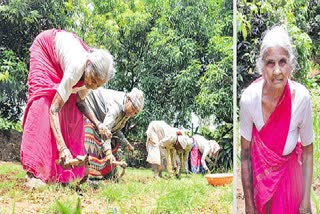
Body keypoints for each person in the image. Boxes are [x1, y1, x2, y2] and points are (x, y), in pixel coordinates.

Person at [20, 29, 115, 185]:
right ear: (88, 65)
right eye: (93, 80)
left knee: (72, 110)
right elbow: (54, 109)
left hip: (63, 58)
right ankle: (34, 174)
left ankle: (69, 176)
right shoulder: (76, 67)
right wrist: (62, 148)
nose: (93, 86)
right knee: (44, 100)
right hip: (46, 49)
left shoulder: (89, 77)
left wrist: (98, 124)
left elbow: (80, 102)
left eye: (99, 85)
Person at [240, 26, 314, 214]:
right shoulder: (249, 99)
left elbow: (307, 153)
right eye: (270, 63)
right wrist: (249, 206)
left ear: (291, 64)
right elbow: (246, 155)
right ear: (261, 66)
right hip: (261, 181)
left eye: (283, 62)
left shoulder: (302, 98)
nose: (277, 71)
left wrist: (305, 202)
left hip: (290, 182)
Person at [83, 87, 144, 179]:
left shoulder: (126, 113)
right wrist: (108, 153)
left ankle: (109, 173)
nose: (132, 113)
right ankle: (83, 173)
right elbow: (106, 130)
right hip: (88, 109)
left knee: (113, 142)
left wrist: (126, 144)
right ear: (128, 99)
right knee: (91, 139)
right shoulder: (116, 106)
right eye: (133, 108)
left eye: (135, 113)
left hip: (101, 122)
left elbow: (115, 130)